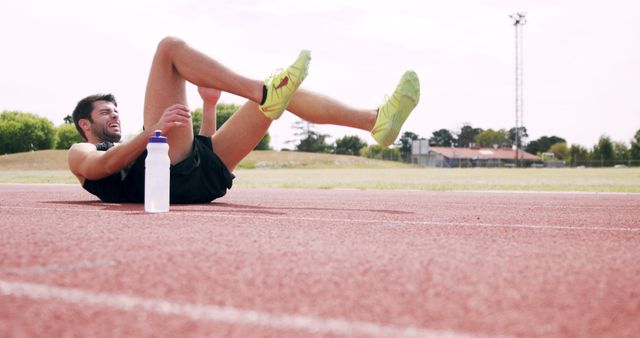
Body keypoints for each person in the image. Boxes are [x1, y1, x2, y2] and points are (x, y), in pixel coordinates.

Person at [68, 36, 420, 204]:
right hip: (163, 184)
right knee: (169, 48)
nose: (114, 115)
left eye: (115, 110)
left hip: (202, 178)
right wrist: (152, 133)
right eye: (104, 112)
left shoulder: (146, 140)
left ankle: (375, 121)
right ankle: (261, 90)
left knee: (283, 95)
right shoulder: (80, 150)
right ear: (85, 123)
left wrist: (209, 109)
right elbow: (105, 166)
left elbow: (196, 153)